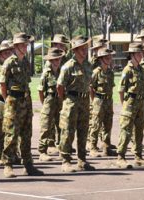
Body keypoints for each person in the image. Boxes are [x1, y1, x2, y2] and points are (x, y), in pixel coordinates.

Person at [0, 32, 44, 178]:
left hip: (26, 100)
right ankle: (8, 165)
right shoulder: (9, 62)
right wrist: (9, 100)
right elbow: (3, 84)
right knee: (11, 134)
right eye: (22, 45)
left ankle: (28, 165)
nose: (25, 47)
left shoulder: (25, 61)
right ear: (16, 46)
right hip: (13, 101)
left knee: (27, 134)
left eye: (26, 45)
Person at [57, 35, 95, 172]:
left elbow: (90, 84)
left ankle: (82, 160)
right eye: (81, 48)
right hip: (71, 101)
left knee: (83, 131)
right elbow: (60, 86)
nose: (84, 51)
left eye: (85, 48)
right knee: (68, 131)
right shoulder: (68, 66)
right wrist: (66, 101)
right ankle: (66, 161)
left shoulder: (88, 65)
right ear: (75, 50)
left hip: (84, 101)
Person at [117, 42, 144, 168]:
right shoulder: (128, 69)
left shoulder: (141, 69)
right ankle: (120, 156)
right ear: (132, 54)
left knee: (139, 130)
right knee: (126, 130)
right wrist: (124, 105)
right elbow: (121, 90)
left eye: (142, 53)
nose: (141, 55)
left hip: (141, 103)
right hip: (130, 102)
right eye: (138, 53)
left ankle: (138, 156)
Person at [88, 47, 117, 157]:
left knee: (108, 125)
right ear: (101, 59)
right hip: (98, 100)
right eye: (107, 57)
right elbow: (91, 88)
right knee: (96, 125)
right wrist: (94, 100)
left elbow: (111, 88)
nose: (109, 59)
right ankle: (93, 147)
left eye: (110, 57)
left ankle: (106, 147)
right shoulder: (96, 72)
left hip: (109, 100)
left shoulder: (110, 72)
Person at [38, 47, 65, 161]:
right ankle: (42, 152)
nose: (56, 61)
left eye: (58, 59)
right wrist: (44, 103)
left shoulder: (62, 71)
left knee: (61, 125)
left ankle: (61, 149)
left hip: (60, 100)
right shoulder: (46, 73)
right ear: (50, 60)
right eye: (54, 59)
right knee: (46, 126)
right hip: (49, 100)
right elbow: (40, 90)